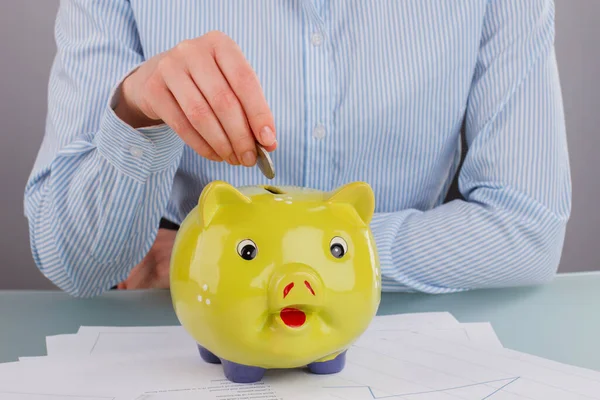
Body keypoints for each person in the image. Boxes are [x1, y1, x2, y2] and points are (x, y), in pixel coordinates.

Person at [24, 0, 571, 298]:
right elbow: (77, 264)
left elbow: (525, 225)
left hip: (397, 336)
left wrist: (222, 257)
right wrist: (137, 110)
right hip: (185, 338)